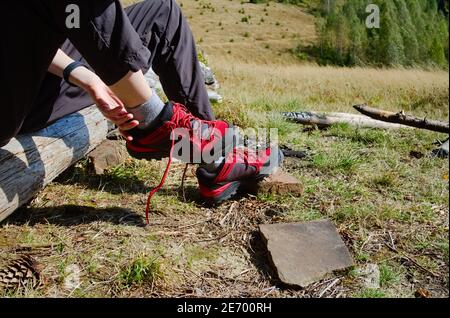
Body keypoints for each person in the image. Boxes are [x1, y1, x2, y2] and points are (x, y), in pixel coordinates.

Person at [1, 0, 281, 222]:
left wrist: (82, 73)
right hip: (19, 96)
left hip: (48, 71)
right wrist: (85, 75)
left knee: (163, 12)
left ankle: (212, 154)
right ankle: (157, 124)